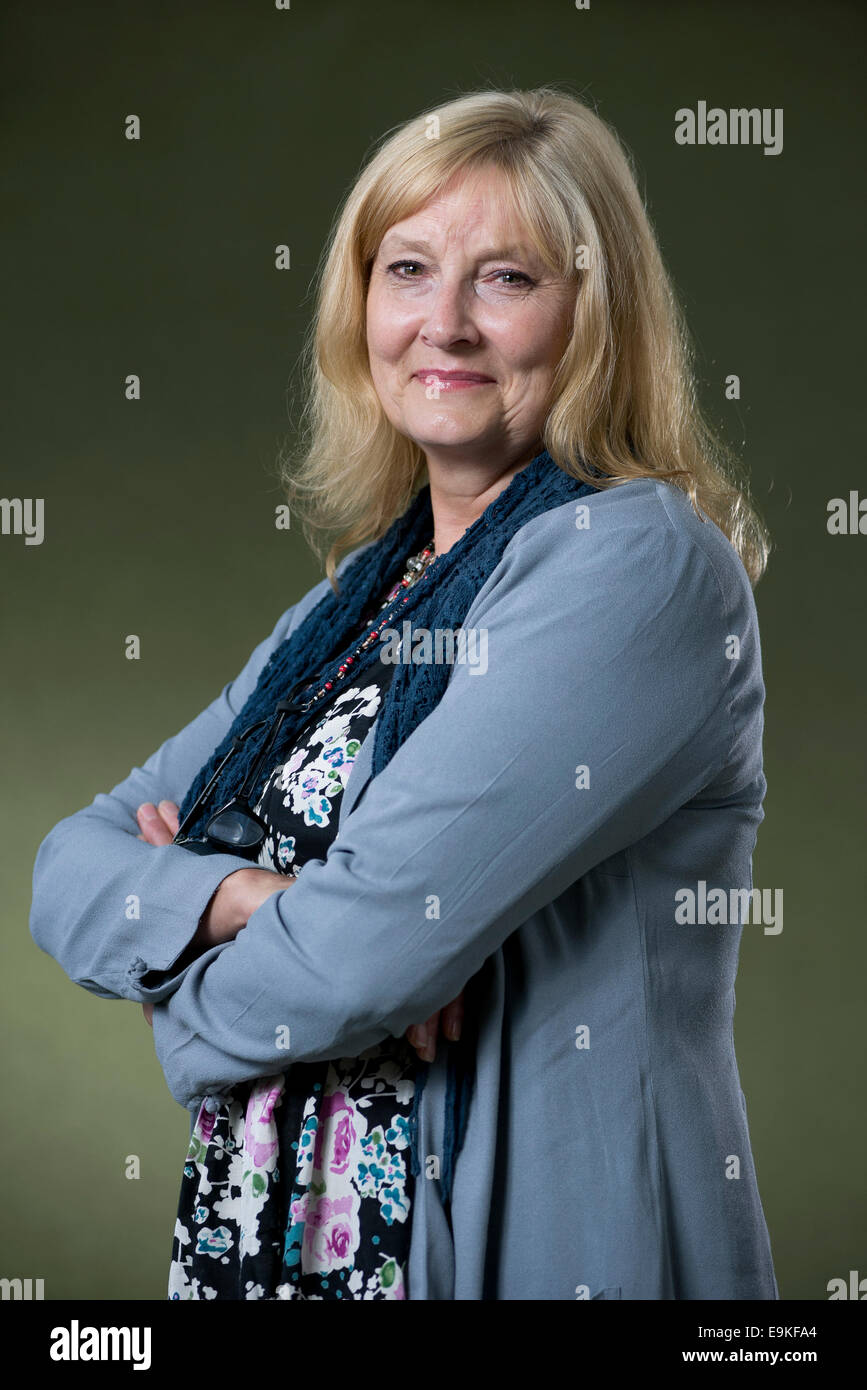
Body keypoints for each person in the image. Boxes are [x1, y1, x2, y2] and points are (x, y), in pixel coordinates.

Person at [29, 85, 779, 1300]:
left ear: (596, 313)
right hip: (278, 1239)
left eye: (508, 278)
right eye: (409, 268)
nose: (445, 324)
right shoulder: (357, 604)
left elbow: (361, 960)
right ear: (360, 304)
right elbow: (67, 865)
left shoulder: (636, 563)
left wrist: (172, 955)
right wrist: (247, 898)